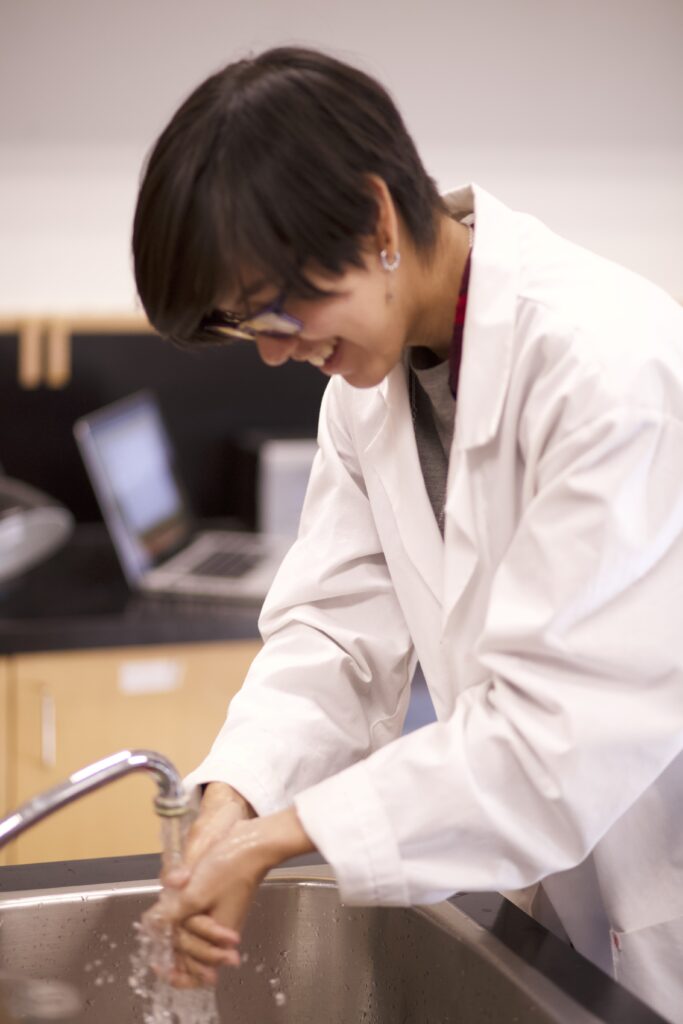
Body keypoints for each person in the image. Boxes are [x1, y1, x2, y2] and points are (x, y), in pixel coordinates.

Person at [132, 46, 683, 1022]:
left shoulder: (608, 367)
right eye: (240, 327)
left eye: (272, 307)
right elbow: (332, 635)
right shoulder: (368, 380)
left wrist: (281, 838)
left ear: (375, 218)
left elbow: (549, 742)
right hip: (557, 907)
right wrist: (235, 803)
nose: (270, 352)